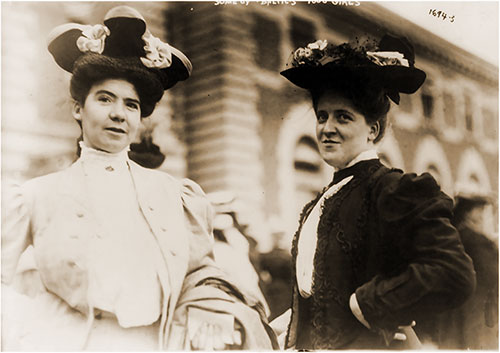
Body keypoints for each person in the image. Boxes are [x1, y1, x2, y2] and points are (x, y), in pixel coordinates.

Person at [1, 6, 275, 351]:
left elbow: (200, 275)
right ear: (78, 109)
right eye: (104, 99)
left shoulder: (175, 196)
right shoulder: (35, 196)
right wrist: (29, 332)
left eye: (131, 105)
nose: (118, 113)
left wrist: (211, 313)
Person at [271, 34, 477, 350]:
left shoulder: (392, 189)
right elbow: (317, 298)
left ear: (373, 129)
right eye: (322, 116)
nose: (327, 128)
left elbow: (452, 271)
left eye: (343, 116)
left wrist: (370, 305)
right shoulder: (322, 202)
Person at [418, 191, 498, 349]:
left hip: (452, 314)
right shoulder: (477, 242)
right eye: (479, 210)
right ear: (468, 213)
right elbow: (494, 276)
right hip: (476, 314)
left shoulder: (451, 237)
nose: (482, 215)